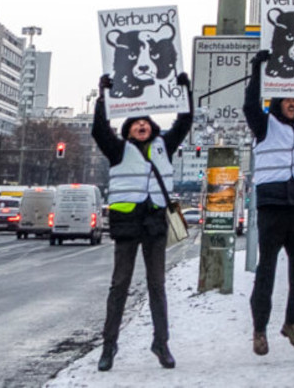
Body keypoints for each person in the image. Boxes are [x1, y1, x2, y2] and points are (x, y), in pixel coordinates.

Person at [91, 71, 193, 372]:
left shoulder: (165, 145)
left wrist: (184, 91)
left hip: (155, 225)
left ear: (152, 126)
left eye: (145, 121)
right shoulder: (118, 150)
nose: (141, 124)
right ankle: (109, 346)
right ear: (128, 129)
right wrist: (102, 96)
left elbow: (184, 122)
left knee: (157, 286)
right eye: (136, 122)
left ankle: (161, 344)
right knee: (119, 285)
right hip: (126, 225)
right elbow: (99, 130)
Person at [244, 49, 294, 356]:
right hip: (271, 206)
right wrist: (257, 70)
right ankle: (260, 329)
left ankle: (293, 322)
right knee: (267, 269)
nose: (292, 104)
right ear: (277, 103)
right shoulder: (264, 126)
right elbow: (249, 105)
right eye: (287, 100)